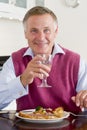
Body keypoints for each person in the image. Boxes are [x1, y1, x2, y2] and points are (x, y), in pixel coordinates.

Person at [0, 6, 87, 113]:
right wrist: (22, 80)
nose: (41, 37)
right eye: (34, 31)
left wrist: (85, 100)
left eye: (46, 30)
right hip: (26, 127)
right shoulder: (14, 61)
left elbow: (85, 101)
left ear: (56, 32)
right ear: (25, 34)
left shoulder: (76, 62)